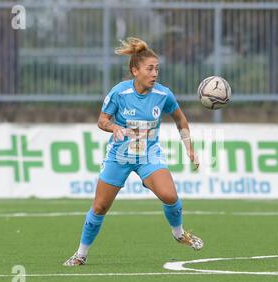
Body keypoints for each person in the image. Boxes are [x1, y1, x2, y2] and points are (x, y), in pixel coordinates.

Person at [63, 37, 203, 266]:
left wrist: (190, 148)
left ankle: (179, 234)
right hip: (119, 157)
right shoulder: (120, 93)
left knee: (170, 196)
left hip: (149, 156)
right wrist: (114, 126)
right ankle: (81, 254)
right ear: (135, 70)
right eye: (150, 69)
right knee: (99, 207)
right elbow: (102, 121)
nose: (155, 73)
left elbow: (181, 120)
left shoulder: (163, 95)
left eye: (157, 69)